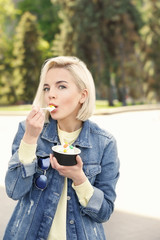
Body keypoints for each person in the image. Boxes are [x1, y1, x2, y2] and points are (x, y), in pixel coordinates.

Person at [4, 56, 120, 240]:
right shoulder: (28, 131)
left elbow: (104, 212)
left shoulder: (104, 143)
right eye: (46, 88)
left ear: (83, 95)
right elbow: (14, 190)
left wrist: (80, 178)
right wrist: (30, 139)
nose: (51, 94)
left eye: (61, 86)